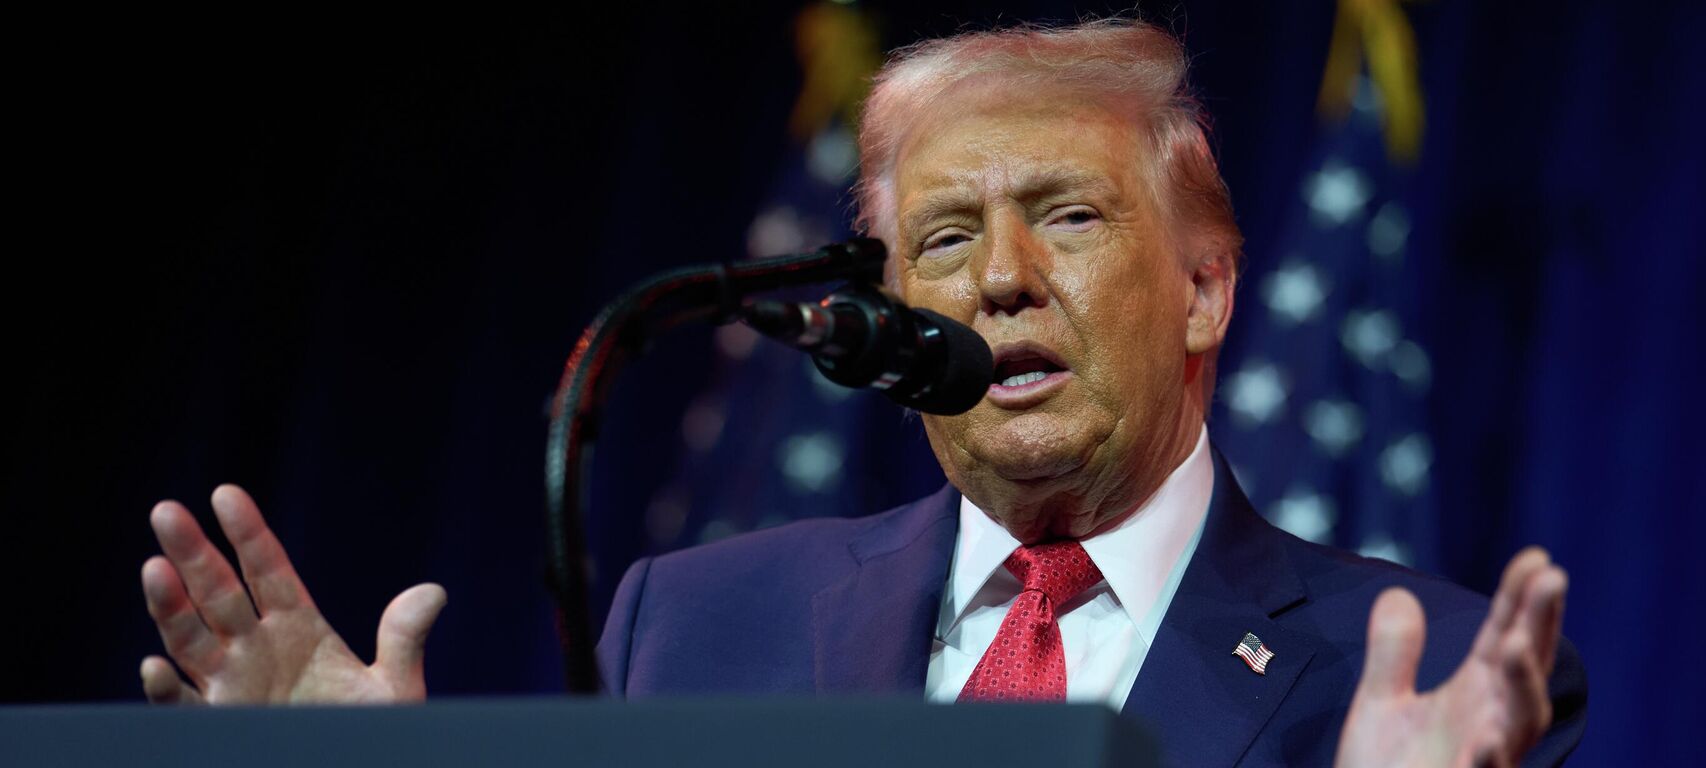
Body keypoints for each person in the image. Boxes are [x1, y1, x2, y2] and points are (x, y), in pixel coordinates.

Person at [137, 20, 1585, 766]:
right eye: (945, 240)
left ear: (1206, 289)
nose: (997, 281)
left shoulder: (1428, 681)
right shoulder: (695, 625)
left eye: (1068, 218)